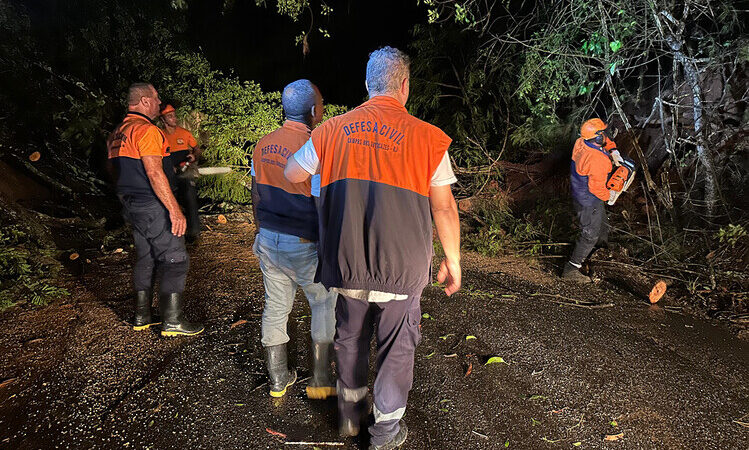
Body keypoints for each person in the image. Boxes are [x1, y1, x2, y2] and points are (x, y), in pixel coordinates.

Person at [284, 47, 462, 450]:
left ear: (367, 85)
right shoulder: (429, 138)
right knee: (397, 344)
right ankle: (384, 433)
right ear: (405, 86)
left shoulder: (330, 131)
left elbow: (293, 170)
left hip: (347, 263)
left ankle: (349, 416)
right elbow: (444, 207)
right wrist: (452, 260)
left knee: (350, 335)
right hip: (401, 266)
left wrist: (325, 182)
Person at [250, 79, 337, 399]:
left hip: (270, 240)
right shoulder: (315, 147)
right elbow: (321, 203)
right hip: (304, 244)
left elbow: (256, 194)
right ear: (314, 111)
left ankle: (277, 379)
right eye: (322, 103)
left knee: (275, 307)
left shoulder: (262, 144)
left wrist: (261, 231)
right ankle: (321, 379)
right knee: (324, 304)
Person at [106, 83, 204, 337]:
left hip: (131, 205)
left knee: (146, 256)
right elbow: (152, 170)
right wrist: (174, 209)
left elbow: (115, 171)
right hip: (152, 204)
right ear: (145, 101)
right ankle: (172, 321)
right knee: (175, 258)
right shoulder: (146, 130)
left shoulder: (117, 132)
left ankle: (142, 315)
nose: (160, 103)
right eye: (157, 98)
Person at [563, 118, 622, 282]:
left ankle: (597, 257)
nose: (605, 135)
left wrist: (613, 150)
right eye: (602, 133)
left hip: (583, 192)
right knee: (589, 233)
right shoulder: (596, 159)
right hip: (588, 199)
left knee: (602, 226)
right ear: (596, 137)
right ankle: (571, 269)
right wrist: (609, 196)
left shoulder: (581, 141)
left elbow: (606, 141)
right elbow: (596, 188)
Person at [160, 104, 202, 242]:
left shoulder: (184, 133)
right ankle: (171, 232)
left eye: (174, 115)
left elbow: (197, 149)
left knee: (190, 196)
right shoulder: (160, 135)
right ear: (163, 120)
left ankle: (193, 231)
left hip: (185, 170)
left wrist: (193, 156)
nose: (174, 118)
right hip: (168, 172)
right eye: (170, 116)